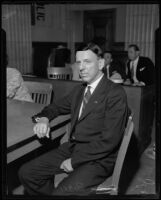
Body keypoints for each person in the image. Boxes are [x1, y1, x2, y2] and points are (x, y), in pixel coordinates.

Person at [18, 43, 129, 196]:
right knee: (27, 173)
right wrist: (44, 118)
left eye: (87, 61)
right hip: (74, 148)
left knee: (62, 192)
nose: (81, 67)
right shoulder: (80, 90)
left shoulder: (115, 93)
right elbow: (54, 107)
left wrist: (74, 161)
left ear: (101, 63)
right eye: (78, 62)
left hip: (99, 159)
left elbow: (109, 141)